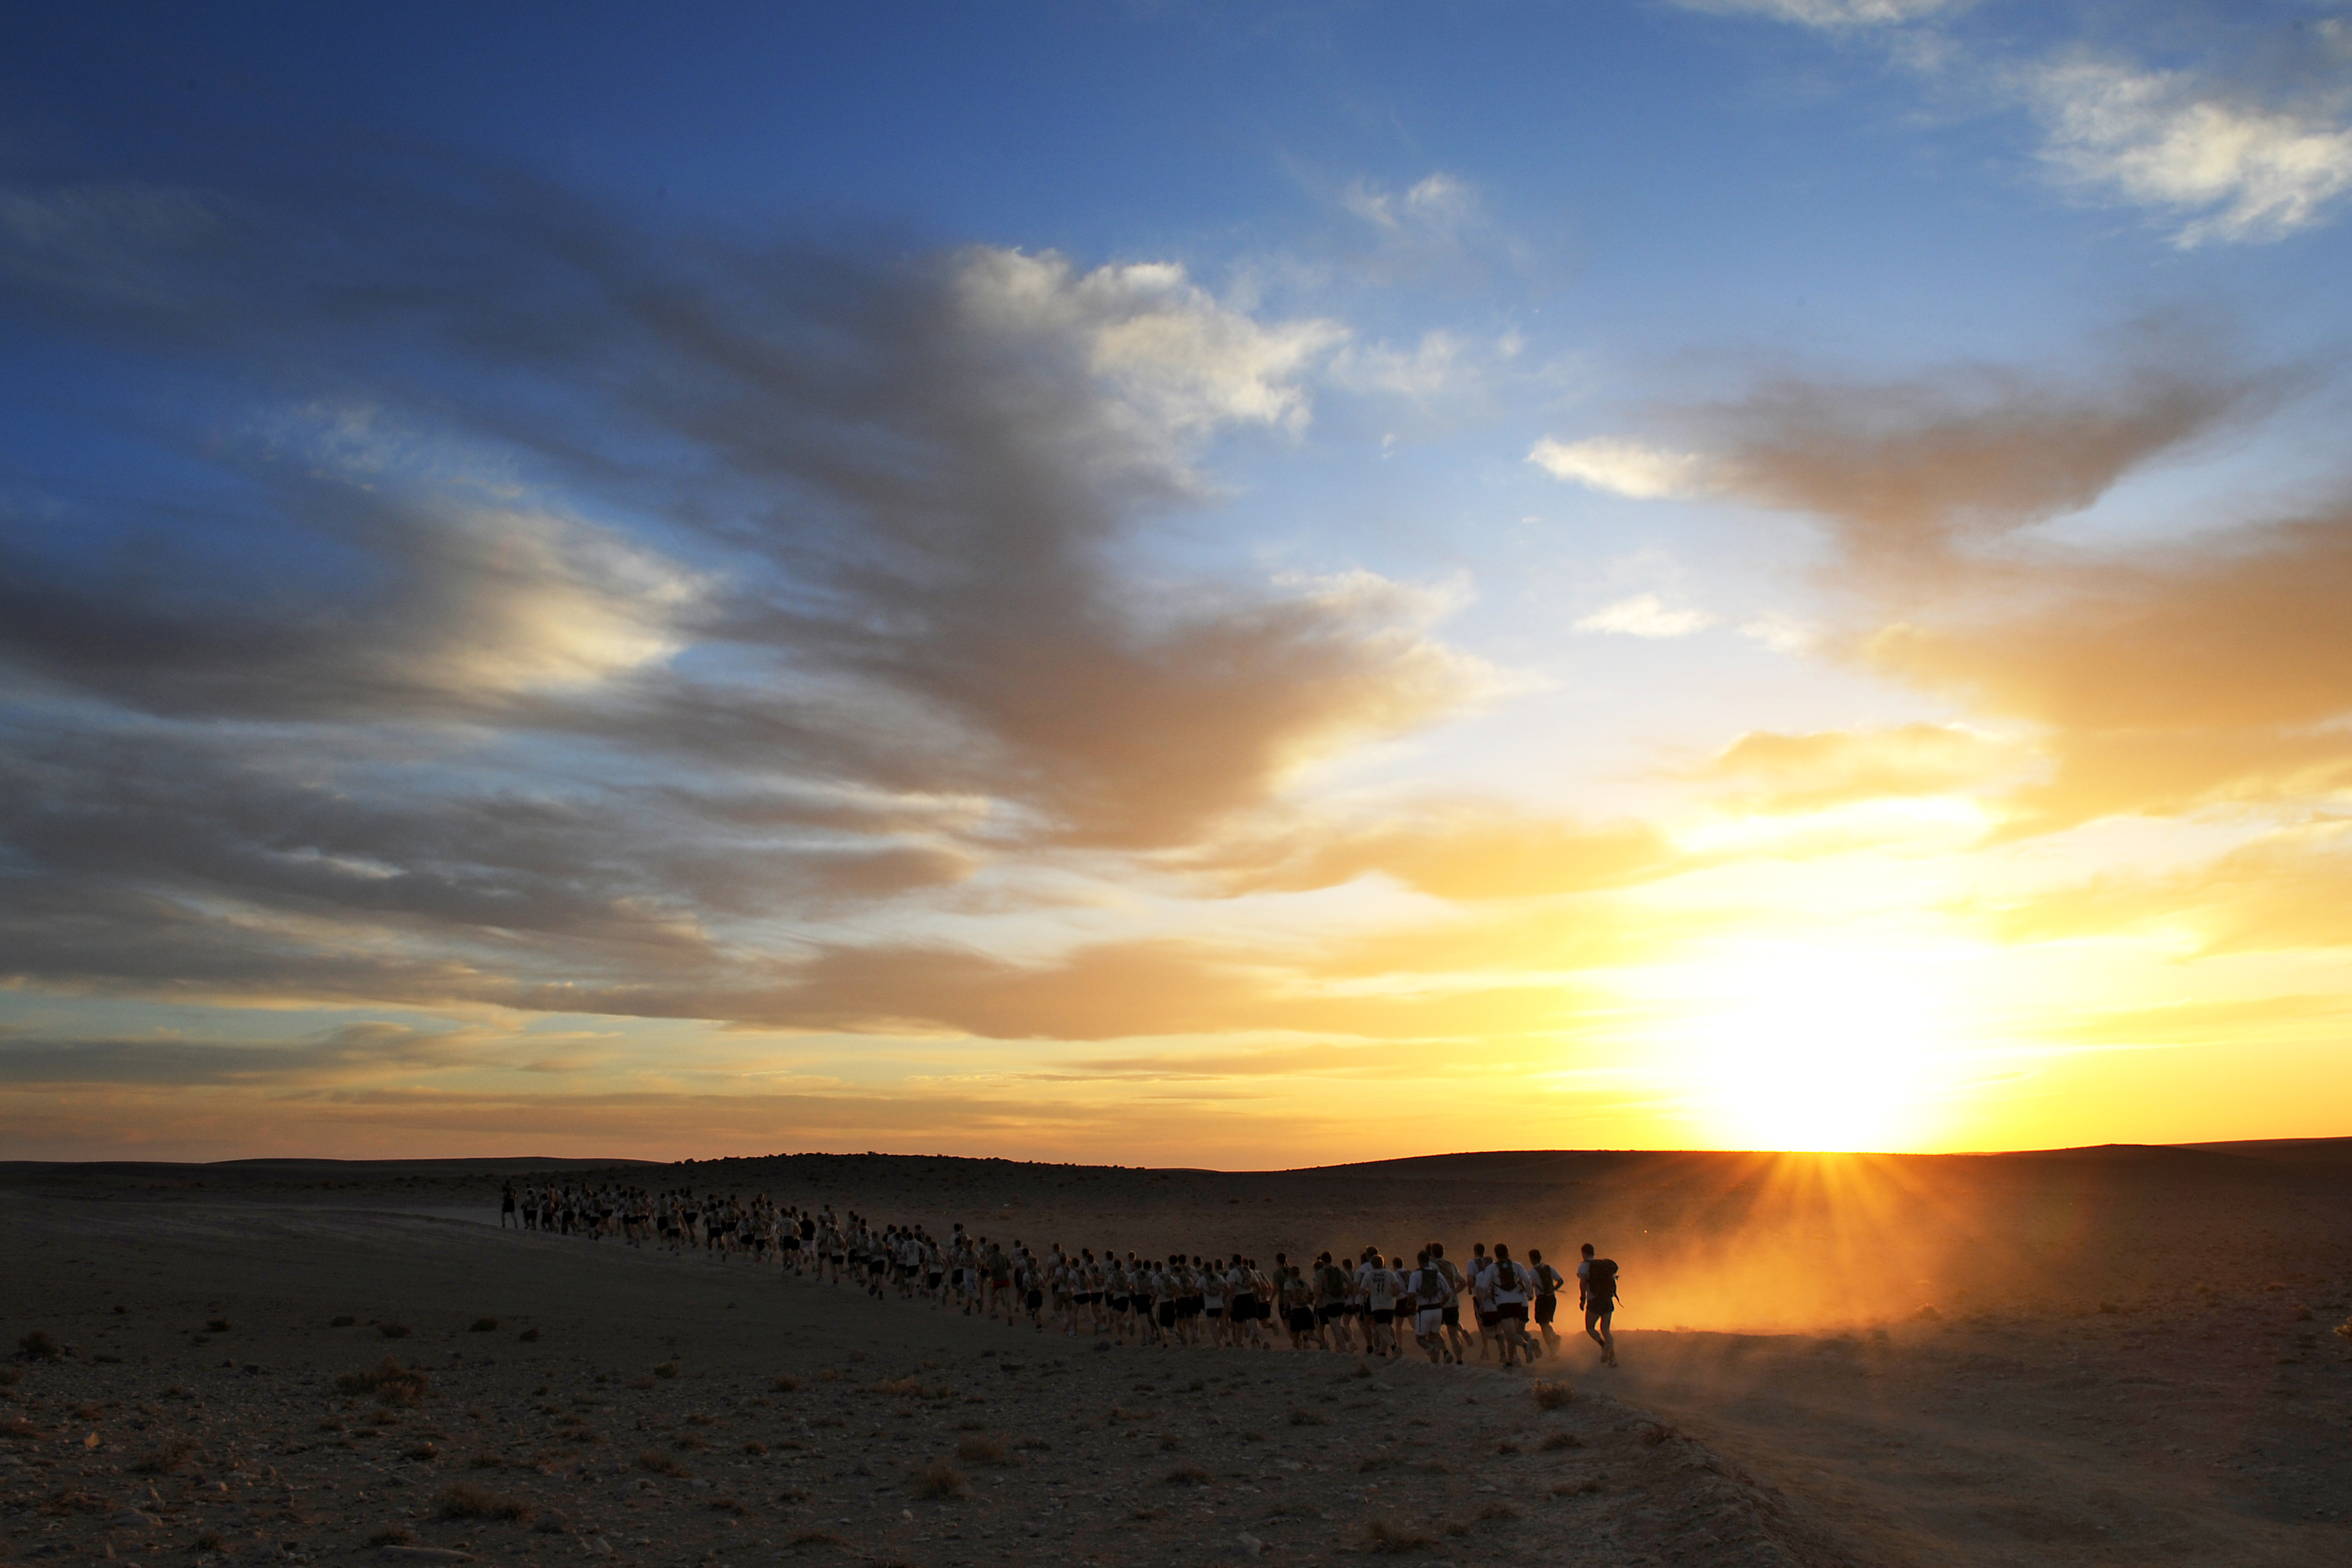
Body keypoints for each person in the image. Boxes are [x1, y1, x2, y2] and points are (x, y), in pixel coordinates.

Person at [1578, 1243, 1618, 1367]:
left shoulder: (1584, 1266)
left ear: (1584, 1254)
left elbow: (1583, 1283)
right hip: (1607, 1300)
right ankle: (1613, 1359)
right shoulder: (1602, 1266)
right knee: (1606, 1329)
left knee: (1590, 1327)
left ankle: (1603, 1345)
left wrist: (1583, 1299)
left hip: (1594, 1301)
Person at [1529, 1249, 1566, 1354]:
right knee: (1546, 1323)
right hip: (1552, 1299)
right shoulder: (1550, 1269)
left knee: (1543, 1326)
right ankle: (1555, 1338)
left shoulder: (1531, 1272)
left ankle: (1553, 1350)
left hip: (1541, 1300)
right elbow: (1561, 1281)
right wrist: (1553, 1289)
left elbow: (1529, 1285)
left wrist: (1529, 1296)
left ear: (1532, 1259)